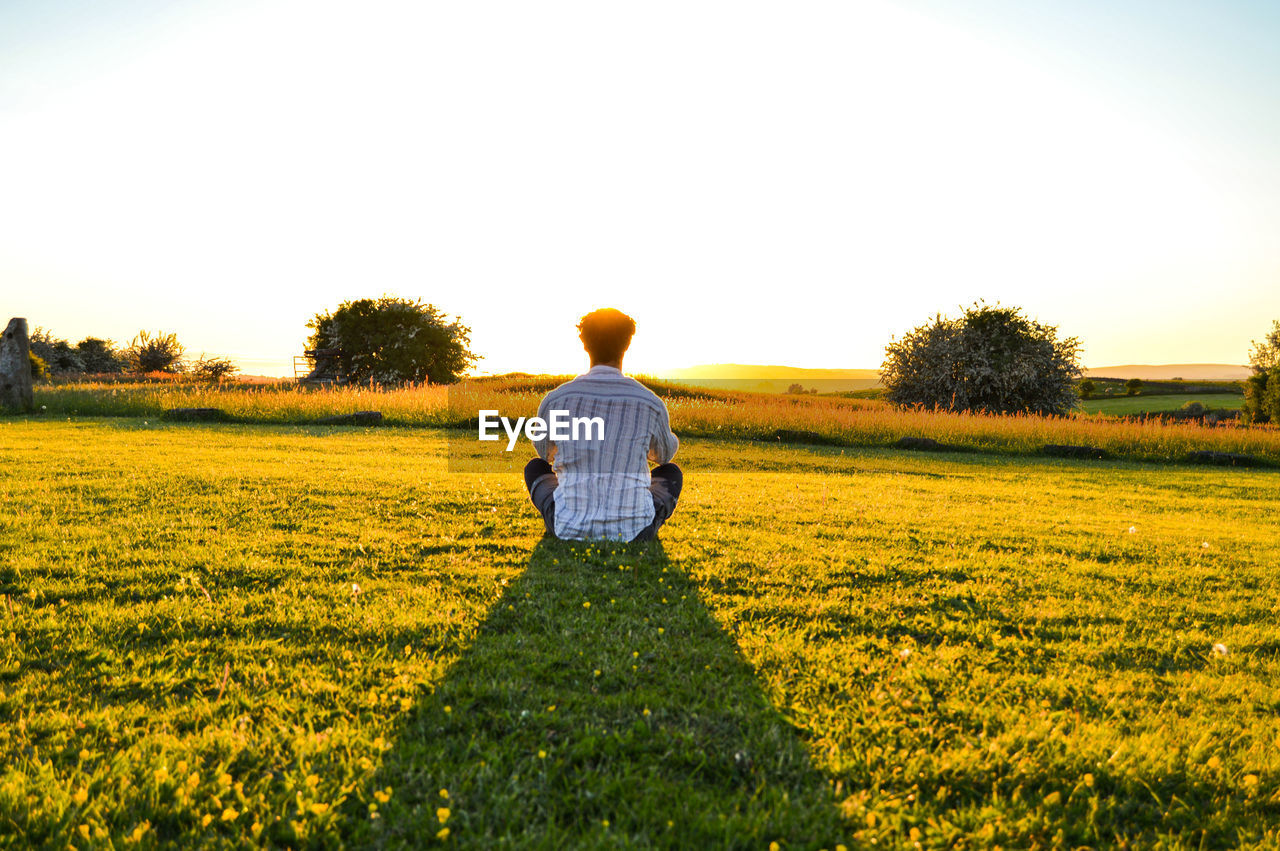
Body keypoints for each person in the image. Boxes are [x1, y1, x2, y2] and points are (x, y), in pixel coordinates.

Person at [524, 308, 682, 542]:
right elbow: (663, 456)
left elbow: (544, 452)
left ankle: (573, 511)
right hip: (635, 531)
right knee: (671, 472)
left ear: (585, 345)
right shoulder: (650, 402)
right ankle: (634, 516)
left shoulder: (556, 400)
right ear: (627, 344)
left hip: (568, 527)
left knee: (535, 468)